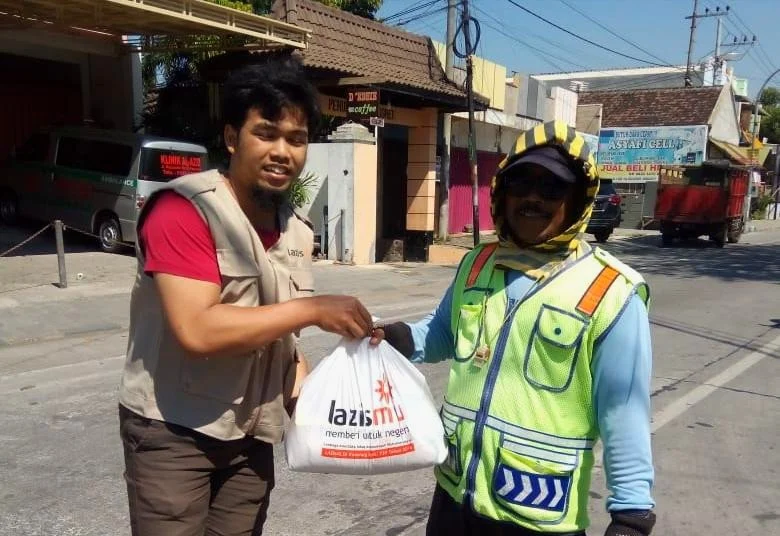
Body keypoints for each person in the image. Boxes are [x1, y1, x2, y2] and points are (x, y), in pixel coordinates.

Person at [118, 53, 373, 536]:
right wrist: (314, 309)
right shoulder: (184, 211)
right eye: (267, 133)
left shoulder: (296, 231)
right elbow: (198, 329)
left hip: (251, 436)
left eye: (297, 140)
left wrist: (338, 401)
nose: (283, 151)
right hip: (173, 432)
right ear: (233, 137)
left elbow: (283, 343)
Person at [374, 121, 656, 536]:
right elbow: (442, 335)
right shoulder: (477, 264)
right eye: (520, 182)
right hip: (454, 498)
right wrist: (398, 337)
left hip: (538, 515)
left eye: (552, 188)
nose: (533, 198)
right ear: (502, 194)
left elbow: (623, 411)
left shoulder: (612, 291)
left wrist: (631, 514)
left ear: (578, 200)